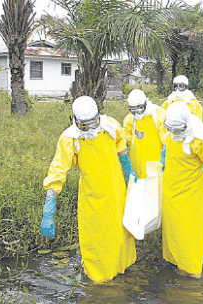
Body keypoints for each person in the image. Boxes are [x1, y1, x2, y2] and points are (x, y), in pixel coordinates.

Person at [40, 96, 137, 283]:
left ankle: (122, 266)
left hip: (116, 190)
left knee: (120, 231)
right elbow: (58, 169)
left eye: (94, 124)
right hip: (91, 194)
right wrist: (49, 203)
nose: (90, 129)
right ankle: (98, 275)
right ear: (75, 121)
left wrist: (128, 170)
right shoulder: (69, 139)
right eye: (84, 126)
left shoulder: (111, 126)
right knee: (95, 236)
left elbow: (121, 149)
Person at [162, 102, 203, 278]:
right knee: (173, 230)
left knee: (189, 234)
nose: (174, 134)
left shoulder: (200, 141)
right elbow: (168, 146)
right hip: (171, 191)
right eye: (172, 130)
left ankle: (191, 271)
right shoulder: (171, 133)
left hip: (192, 195)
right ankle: (176, 262)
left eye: (178, 130)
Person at [122, 89, 167, 178]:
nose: (137, 113)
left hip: (155, 164)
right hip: (136, 164)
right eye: (133, 110)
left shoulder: (158, 114)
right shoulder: (131, 118)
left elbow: (167, 140)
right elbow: (126, 137)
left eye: (140, 109)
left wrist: (164, 158)